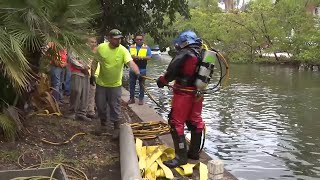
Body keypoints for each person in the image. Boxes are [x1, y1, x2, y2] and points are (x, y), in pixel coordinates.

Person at [156, 30, 205, 168]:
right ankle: (194, 153)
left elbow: (171, 72)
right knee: (195, 121)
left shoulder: (185, 53)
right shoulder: (202, 53)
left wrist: (161, 81)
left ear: (184, 42)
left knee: (175, 122)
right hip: (198, 93)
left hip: (183, 94)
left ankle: (180, 157)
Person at [91, 29, 140, 139]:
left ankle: (116, 128)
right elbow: (95, 62)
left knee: (115, 106)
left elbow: (130, 63)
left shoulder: (123, 50)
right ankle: (103, 126)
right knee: (100, 106)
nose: (118, 41)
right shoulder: (101, 48)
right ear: (109, 39)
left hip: (115, 85)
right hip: (101, 83)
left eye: (120, 39)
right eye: (116, 39)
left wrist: (138, 73)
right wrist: (92, 75)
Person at [127, 32, 152, 105]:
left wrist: (140, 57)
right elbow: (127, 56)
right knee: (132, 84)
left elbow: (149, 57)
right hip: (132, 69)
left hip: (142, 69)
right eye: (137, 39)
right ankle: (132, 98)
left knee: (142, 85)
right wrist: (133, 57)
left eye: (140, 39)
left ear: (142, 40)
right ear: (135, 40)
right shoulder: (131, 47)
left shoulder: (146, 47)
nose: (139, 41)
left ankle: (141, 99)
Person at [68, 46, 91, 121]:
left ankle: (82, 113)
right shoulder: (74, 48)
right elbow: (72, 60)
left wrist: (87, 67)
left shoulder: (87, 49)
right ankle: (72, 112)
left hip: (86, 74)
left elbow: (90, 60)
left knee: (85, 94)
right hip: (77, 72)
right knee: (76, 91)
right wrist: (82, 67)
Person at [86, 37, 98, 119]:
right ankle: (89, 111)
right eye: (91, 42)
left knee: (94, 94)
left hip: (98, 76)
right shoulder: (86, 53)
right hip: (88, 75)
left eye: (95, 42)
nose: (93, 44)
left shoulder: (98, 52)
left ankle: (92, 108)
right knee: (89, 93)